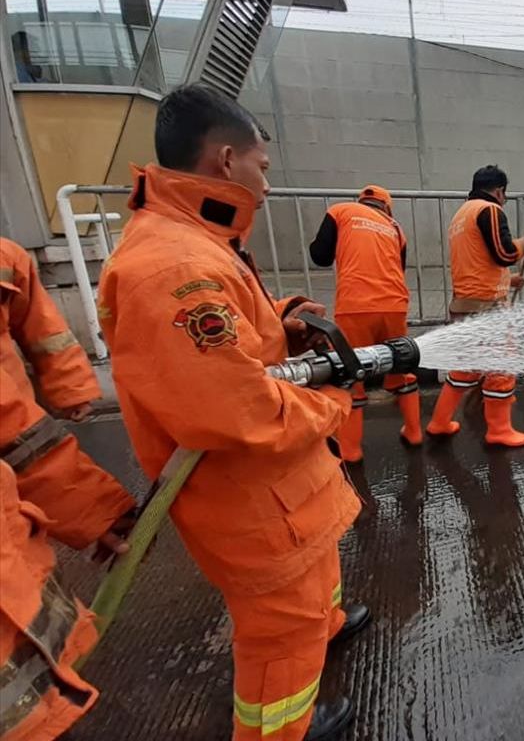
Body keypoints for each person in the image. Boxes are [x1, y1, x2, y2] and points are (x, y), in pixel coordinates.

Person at [97, 83, 370, 741]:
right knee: (282, 627)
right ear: (225, 160)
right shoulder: (173, 269)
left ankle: (324, 627)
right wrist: (330, 400)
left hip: (279, 492)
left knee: (314, 586)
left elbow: (228, 348)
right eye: (263, 168)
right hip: (251, 500)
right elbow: (233, 410)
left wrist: (281, 324)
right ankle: (279, 730)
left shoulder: (197, 240)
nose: (267, 185)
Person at [1, 240, 136, 741]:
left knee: (41, 691)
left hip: (11, 542)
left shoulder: (8, 258)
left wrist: (71, 388)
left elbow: (41, 334)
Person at [425, 165, 524, 447]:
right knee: (502, 368)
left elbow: (480, 260)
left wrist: (507, 281)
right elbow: (506, 253)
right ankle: (500, 431)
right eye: (505, 194)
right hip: (486, 306)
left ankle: (439, 422)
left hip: (466, 304)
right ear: (500, 191)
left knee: (467, 368)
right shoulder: (489, 211)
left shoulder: (461, 215)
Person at [309, 185, 420, 463]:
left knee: (349, 376)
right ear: (387, 207)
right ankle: (414, 432)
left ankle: (351, 450)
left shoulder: (340, 211)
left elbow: (320, 256)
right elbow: (399, 268)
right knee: (402, 369)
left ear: (362, 201)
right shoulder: (395, 228)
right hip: (394, 305)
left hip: (355, 307)